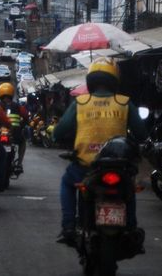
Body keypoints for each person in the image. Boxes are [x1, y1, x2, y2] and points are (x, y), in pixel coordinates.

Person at [53, 57, 147, 243]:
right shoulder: (124, 103)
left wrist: (57, 137)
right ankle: (130, 227)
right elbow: (142, 134)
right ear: (115, 80)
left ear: (90, 80)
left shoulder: (80, 102)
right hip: (119, 166)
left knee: (67, 183)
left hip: (86, 167)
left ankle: (69, 226)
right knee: (128, 188)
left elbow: (59, 131)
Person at [0, 82, 29, 172]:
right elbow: (26, 116)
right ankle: (19, 163)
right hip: (14, 133)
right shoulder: (18, 106)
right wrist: (21, 126)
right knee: (22, 142)